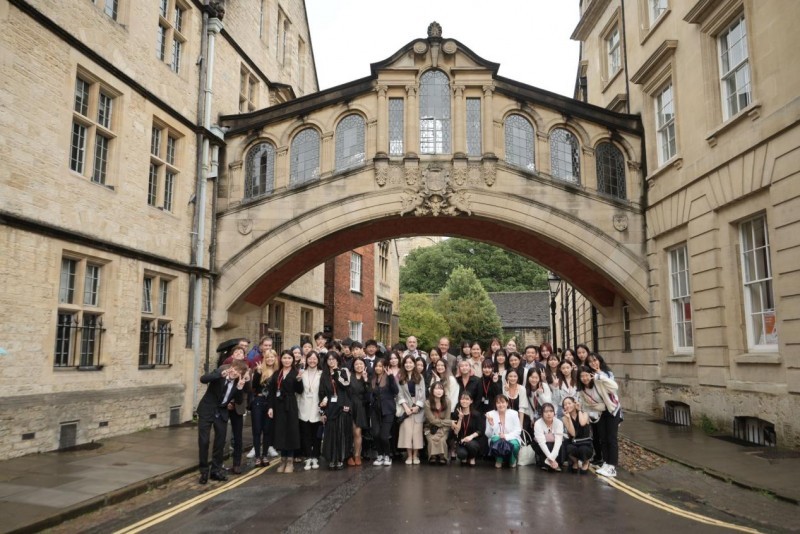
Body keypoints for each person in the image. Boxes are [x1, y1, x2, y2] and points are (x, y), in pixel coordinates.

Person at [196, 359, 248, 484]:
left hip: (221, 413)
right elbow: (203, 379)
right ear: (231, 367)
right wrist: (219, 374)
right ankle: (204, 471)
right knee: (204, 441)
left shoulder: (238, 383)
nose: (235, 373)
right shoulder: (220, 373)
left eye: (238, 371)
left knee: (220, 442)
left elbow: (239, 401)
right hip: (207, 410)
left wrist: (240, 389)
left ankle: (216, 471)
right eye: (234, 369)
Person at [582, 355, 621, 478]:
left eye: (595, 360)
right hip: (600, 413)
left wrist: (600, 376)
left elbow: (614, 387)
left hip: (612, 410)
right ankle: (606, 462)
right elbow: (590, 404)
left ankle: (612, 466)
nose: (593, 363)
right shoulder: (589, 379)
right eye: (590, 362)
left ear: (599, 361)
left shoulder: (603, 375)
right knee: (603, 439)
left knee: (611, 438)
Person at [268, 350, 304, 473]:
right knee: (280, 431)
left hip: (291, 404)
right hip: (278, 405)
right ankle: (282, 459)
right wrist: (270, 407)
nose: (287, 360)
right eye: (284, 358)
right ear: (281, 359)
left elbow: (300, 391)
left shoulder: (296, 373)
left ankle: (290, 460)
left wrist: (299, 381)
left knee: (291, 431)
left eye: (289, 358)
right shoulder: (277, 373)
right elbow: (272, 392)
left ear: (293, 360)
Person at [319, 352, 353, 470]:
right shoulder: (324, 375)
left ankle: (340, 459)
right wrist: (322, 408)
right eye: (329, 359)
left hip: (342, 407)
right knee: (331, 434)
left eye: (334, 359)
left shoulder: (343, 371)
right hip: (330, 408)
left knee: (341, 433)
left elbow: (346, 386)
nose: (331, 361)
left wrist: (336, 374)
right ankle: (331, 459)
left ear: (338, 360)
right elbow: (322, 393)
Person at [221, 346, 252, 474]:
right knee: (221, 435)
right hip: (224, 406)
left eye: (242, 352)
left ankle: (237, 464)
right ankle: (219, 463)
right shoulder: (225, 368)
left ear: (244, 356)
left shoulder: (247, 370)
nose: (239, 354)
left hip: (238, 407)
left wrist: (247, 381)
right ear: (232, 355)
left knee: (238, 437)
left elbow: (248, 391)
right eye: (236, 352)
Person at [251, 349, 279, 466]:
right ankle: (257, 456)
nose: (270, 359)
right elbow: (254, 386)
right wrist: (257, 373)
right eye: (267, 357)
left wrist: (272, 406)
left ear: (275, 358)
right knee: (257, 430)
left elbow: (276, 391)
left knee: (267, 431)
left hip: (270, 404)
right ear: (264, 359)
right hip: (258, 401)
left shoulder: (278, 372)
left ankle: (264, 455)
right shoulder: (260, 370)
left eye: (272, 357)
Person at [397, 355, 425, 465]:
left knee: (417, 433)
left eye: (411, 362)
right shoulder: (400, 376)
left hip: (418, 406)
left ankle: (415, 455)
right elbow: (399, 394)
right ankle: (409, 456)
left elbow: (423, 394)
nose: (408, 365)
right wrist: (406, 407)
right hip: (406, 407)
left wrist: (417, 406)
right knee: (407, 432)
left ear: (414, 364)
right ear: (403, 364)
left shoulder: (420, 377)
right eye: (406, 363)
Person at [370, 358, 399, 466]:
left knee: (384, 435)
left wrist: (391, 377)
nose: (378, 368)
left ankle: (387, 455)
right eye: (376, 366)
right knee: (376, 434)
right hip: (375, 410)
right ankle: (380, 455)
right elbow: (370, 394)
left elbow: (396, 391)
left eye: (380, 366)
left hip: (388, 410)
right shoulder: (372, 379)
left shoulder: (388, 377)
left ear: (384, 367)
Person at [297, 351, 322, 471]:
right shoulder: (301, 373)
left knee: (316, 436)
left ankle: (315, 456)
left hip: (317, 408)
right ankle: (307, 457)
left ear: (318, 360)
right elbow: (297, 391)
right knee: (305, 435)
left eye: (314, 359)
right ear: (306, 360)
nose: (312, 361)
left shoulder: (322, 374)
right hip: (303, 408)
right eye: (310, 359)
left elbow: (325, 391)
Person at [485, 395, 522, 468]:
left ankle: (512, 460)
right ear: (495, 404)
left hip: (511, 438)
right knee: (496, 439)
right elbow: (488, 435)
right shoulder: (490, 414)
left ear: (507, 403)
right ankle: (499, 460)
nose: (501, 405)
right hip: (497, 438)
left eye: (503, 402)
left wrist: (506, 436)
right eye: (498, 403)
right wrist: (491, 424)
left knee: (514, 444)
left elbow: (518, 430)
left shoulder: (514, 413)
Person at [348, 358, 371, 466]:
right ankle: (348, 455)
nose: (359, 366)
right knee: (348, 432)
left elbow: (369, 396)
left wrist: (366, 380)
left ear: (364, 365)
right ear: (353, 366)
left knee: (357, 433)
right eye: (356, 364)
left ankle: (357, 455)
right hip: (348, 406)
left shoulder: (366, 377)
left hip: (360, 407)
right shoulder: (349, 376)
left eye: (361, 364)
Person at [562, 396, 593, 474]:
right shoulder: (565, 418)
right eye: (565, 405)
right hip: (574, 441)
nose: (567, 406)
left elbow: (582, 423)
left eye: (569, 403)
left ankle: (586, 462)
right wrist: (569, 418)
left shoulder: (584, 413)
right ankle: (575, 461)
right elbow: (573, 433)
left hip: (585, 442)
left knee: (583, 449)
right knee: (567, 446)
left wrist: (579, 410)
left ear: (575, 404)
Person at [451, 392, 484, 466]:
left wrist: (470, 437)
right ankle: (466, 456)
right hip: (461, 441)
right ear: (460, 400)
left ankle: (472, 457)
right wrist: (460, 419)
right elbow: (456, 432)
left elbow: (480, 430)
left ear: (471, 401)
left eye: (467, 399)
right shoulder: (456, 414)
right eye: (462, 399)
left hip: (473, 441)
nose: (464, 401)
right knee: (461, 454)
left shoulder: (476, 414)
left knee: (472, 445)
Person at [423, 382, 451, 465]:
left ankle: (442, 456)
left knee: (442, 440)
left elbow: (448, 418)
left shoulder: (447, 401)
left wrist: (440, 433)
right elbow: (432, 421)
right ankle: (433, 456)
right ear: (432, 391)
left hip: (444, 428)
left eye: (441, 389)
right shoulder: (427, 403)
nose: (439, 391)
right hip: (430, 428)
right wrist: (447, 422)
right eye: (436, 389)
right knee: (431, 440)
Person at [533, 403, 565, 471]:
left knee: (560, 444)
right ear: (542, 413)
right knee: (548, 445)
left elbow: (558, 441)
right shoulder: (538, 423)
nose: (549, 414)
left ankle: (551, 463)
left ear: (554, 412)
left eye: (551, 411)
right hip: (541, 445)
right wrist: (552, 459)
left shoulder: (559, 422)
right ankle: (551, 464)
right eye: (546, 411)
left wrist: (551, 458)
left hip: (555, 445)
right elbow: (541, 443)